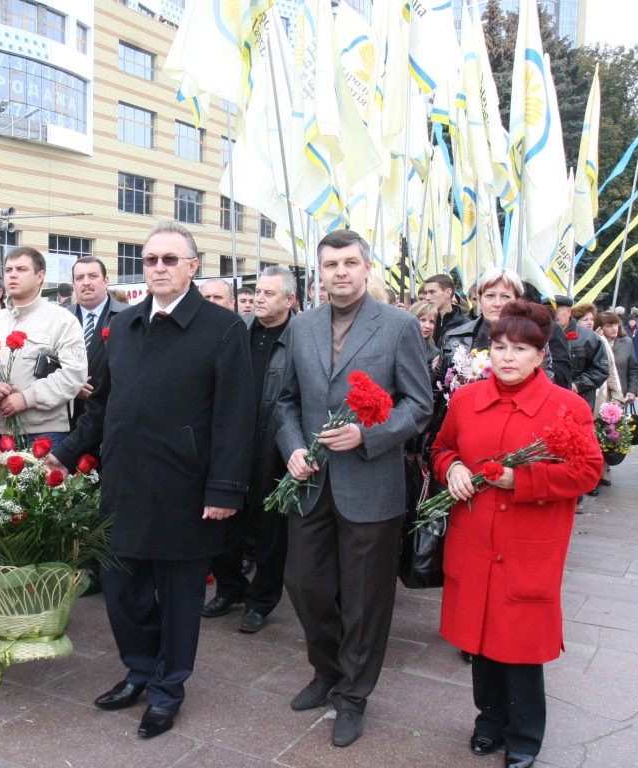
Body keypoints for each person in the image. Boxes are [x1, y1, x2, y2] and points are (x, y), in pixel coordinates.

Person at [48, 221, 256, 739]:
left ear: (192, 266)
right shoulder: (124, 325)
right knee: (121, 591)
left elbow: (235, 416)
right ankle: (139, 670)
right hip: (124, 485)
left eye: (169, 259)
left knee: (180, 599)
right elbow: (101, 405)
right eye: (150, 260)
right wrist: (64, 453)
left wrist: (225, 490)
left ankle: (167, 689)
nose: (159, 267)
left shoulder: (222, 328)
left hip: (186, 490)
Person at [276, 229, 432, 747]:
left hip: (371, 482)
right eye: (329, 264)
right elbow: (285, 401)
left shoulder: (400, 326)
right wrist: (293, 447)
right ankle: (326, 670)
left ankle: (353, 695)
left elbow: (418, 405)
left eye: (349, 263)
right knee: (304, 584)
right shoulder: (301, 327)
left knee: (366, 599)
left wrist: (368, 434)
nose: (339, 272)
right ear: (317, 273)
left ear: (367, 268)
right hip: (311, 482)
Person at [430, 301, 603, 768]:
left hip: (528, 543)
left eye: (520, 348)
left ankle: (525, 735)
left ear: (540, 355)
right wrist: (455, 468)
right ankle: (488, 723)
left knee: (521, 648)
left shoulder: (565, 406)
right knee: (480, 641)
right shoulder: (466, 399)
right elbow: (441, 447)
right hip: (475, 539)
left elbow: (587, 470)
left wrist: (520, 481)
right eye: (499, 346)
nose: (507, 356)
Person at [203, 265, 295, 634]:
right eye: (257, 291)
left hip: (275, 443)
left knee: (269, 529)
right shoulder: (236, 329)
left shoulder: (300, 337)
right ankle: (229, 589)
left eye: (268, 293)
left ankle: (261, 601)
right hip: (232, 440)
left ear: (290, 300)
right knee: (224, 523)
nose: (258, 298)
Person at [0, 246, 86, 451]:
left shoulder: (62, 320)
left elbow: (74, 375)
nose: (12, 275)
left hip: (44, 431)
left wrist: (27, 398)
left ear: (40, 276)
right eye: (8, 270)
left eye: (21, 269)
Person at [69, 256, 127, 429]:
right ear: (73, 285)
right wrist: (69, 386)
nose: (86, 283)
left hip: (113, 415)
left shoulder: (127, 317)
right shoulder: (59, 318)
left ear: (106, 281)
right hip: (68, 416)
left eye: (93, 276)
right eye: (79, 278)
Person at [563, 302, 609, 411]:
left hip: (580, 399)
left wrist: (577, 385)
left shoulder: (591, 338)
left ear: (568, 312)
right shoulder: (542, 334)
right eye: (586, 319)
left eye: (592, 320)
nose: (590, 322)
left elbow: (601, 369)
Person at [421, 274, 467, 345]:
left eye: (432, 292)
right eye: (426, 293)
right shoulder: (423, 322)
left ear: (448, 292)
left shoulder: (466, 325)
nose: (427, 297)